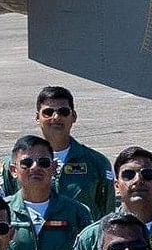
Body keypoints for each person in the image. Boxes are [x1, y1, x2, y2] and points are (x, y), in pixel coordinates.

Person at [19, 84, 113, 212]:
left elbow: (108, 213)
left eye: (63, 112)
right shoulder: (19, 163)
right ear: (37, 117)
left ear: (73, 116)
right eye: (48, 112)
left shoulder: (97, 163)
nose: (56, 117)